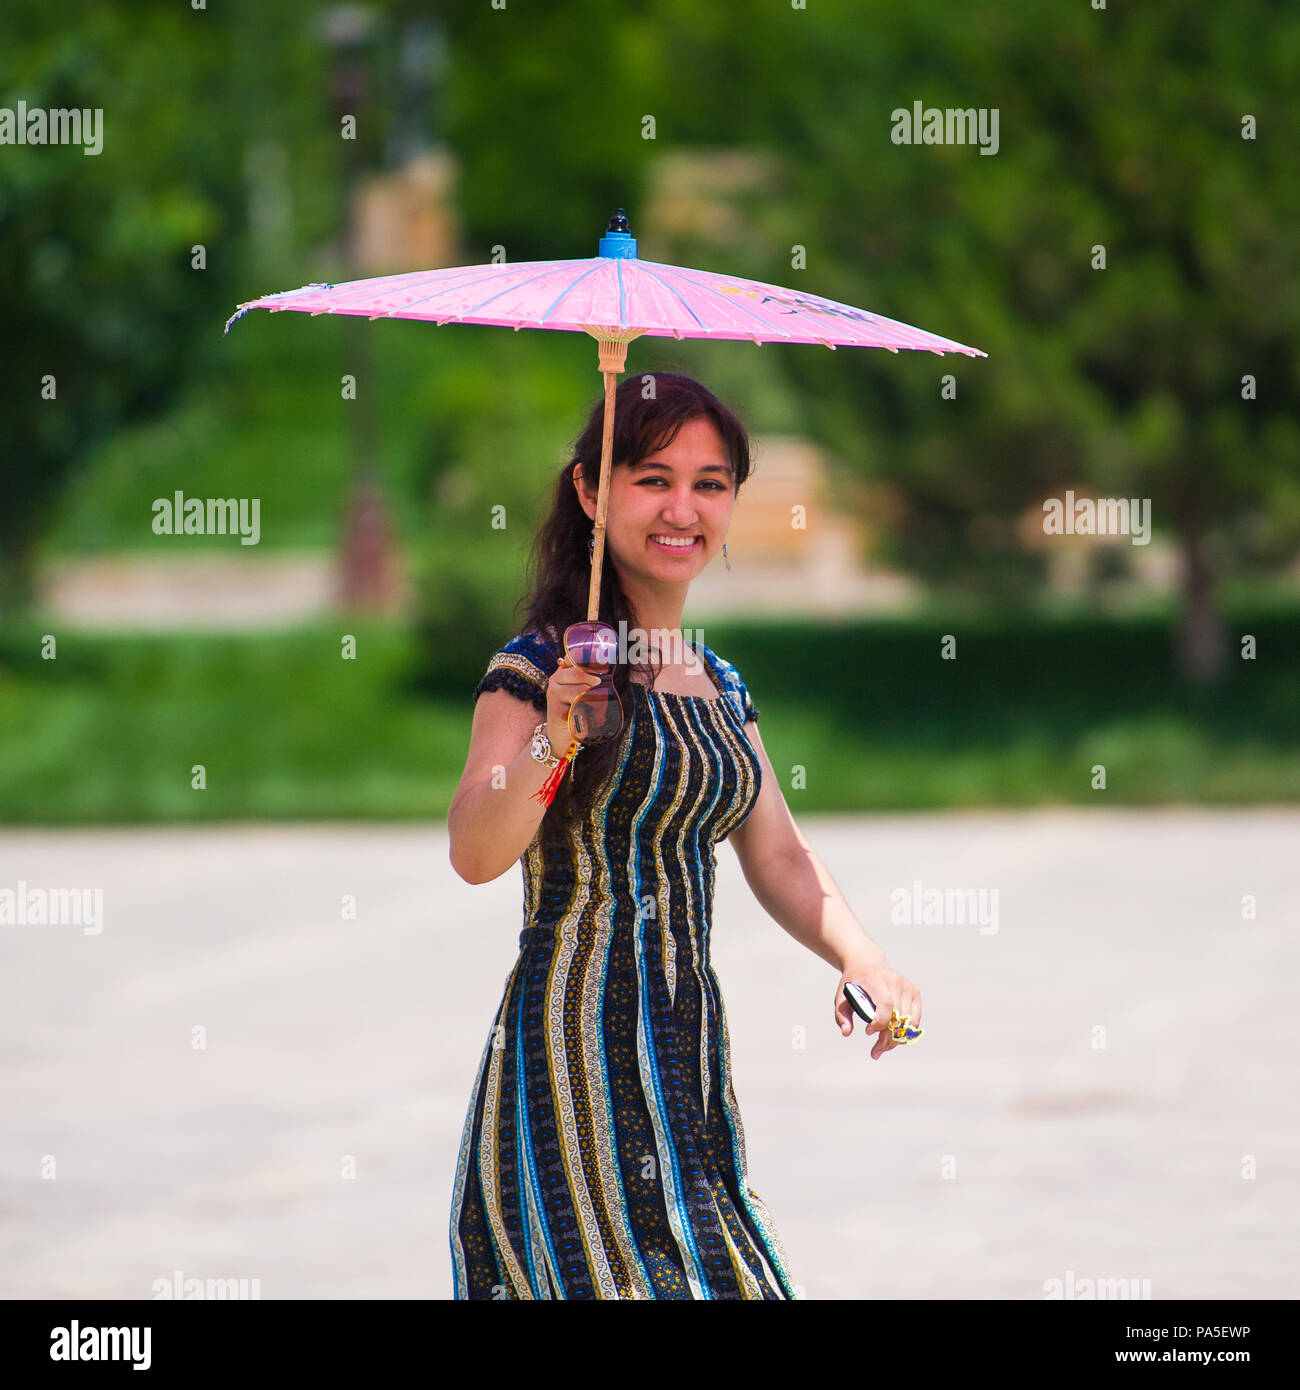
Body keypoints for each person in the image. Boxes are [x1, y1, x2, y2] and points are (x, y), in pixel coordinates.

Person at [447, 371, 921, 1300]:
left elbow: (779, 852)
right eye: (653, 477)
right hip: (575, 1054)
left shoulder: (718, 681)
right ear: (592, 492)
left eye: (710, 483)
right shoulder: (542, 666)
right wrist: (555, 736)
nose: (683, 508)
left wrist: (862, 958)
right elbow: (475, 849)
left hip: (687, 1053)